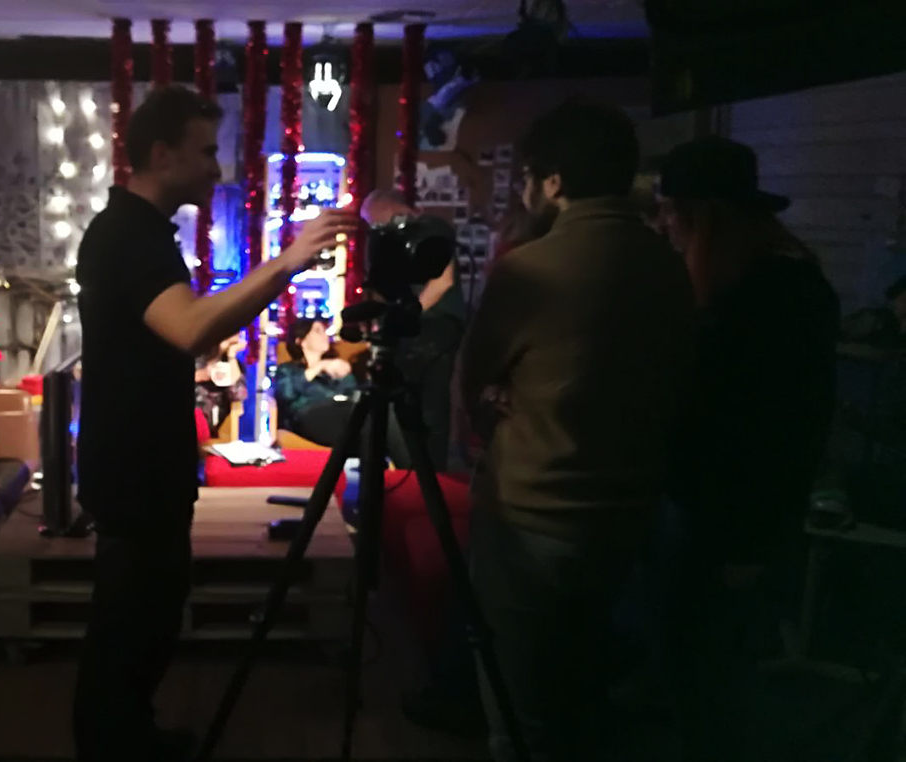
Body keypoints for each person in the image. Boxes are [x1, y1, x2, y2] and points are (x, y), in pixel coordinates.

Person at [72, 86, 357, 762]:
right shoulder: (127, 234)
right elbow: (189, 328)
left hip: (146, 459)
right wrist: (287, 263)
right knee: (129, 623)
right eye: (205, 152)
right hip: (133, 464)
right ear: (161, 154)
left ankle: (130, 735)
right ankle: (111, 747)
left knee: (149, 616)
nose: (217, 168)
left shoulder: (140, 231)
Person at [457, 100, 696, 762]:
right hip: (626, 513)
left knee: (517, 707)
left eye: (528, 178)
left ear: (553, 181)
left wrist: (493, 421)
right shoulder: (667, 263)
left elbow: (472, 380)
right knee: (581, 688)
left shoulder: (531, 267)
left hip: (531, 509)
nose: (524, 191)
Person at [656, 136, 840, 762]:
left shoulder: (773, 297)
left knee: (711, 676)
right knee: (702, 669)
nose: (667, 227)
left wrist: (749, 542)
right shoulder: (773, 286)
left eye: (673, 213)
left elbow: (784, 430)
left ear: (703, 217)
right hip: (715, 513)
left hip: (727, 520)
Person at [359, 188, 465, 470]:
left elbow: (443, 282)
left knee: (430, 407)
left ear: (387, 209)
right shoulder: (393, 239)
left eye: (373, 220)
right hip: (412, 328)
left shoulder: (431, 228)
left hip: (435, 328)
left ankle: (430, 474)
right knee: (406, 404)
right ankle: (411, 471)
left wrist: (409, 314)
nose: (374, 228)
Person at [193, 333, 248, 436]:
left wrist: (231, 356)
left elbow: (238, 395)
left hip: (216, 426)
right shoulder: (198, 356)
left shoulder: (235, 365)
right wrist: (219, 352)